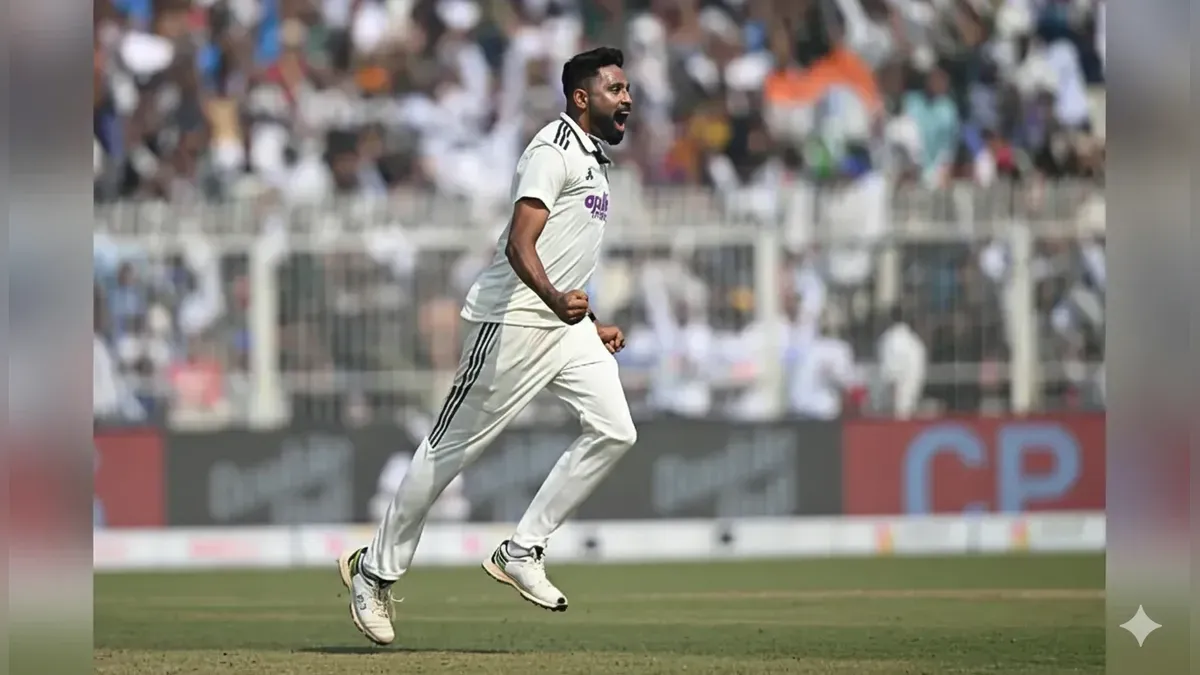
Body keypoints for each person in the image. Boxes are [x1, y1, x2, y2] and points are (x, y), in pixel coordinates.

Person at [337, 47, 637, 646]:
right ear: (582, 98)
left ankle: (522, 550)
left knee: (615, 430)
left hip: (564, 326)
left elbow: (564, 254)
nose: (627, 98)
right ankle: (373, 572)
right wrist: (555, 300)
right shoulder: (552, 149)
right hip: (512, 322)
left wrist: (588, 320)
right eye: (615, 89)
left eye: (627, 89)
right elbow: (521, 245)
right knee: (447, 451)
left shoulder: (594, 160)